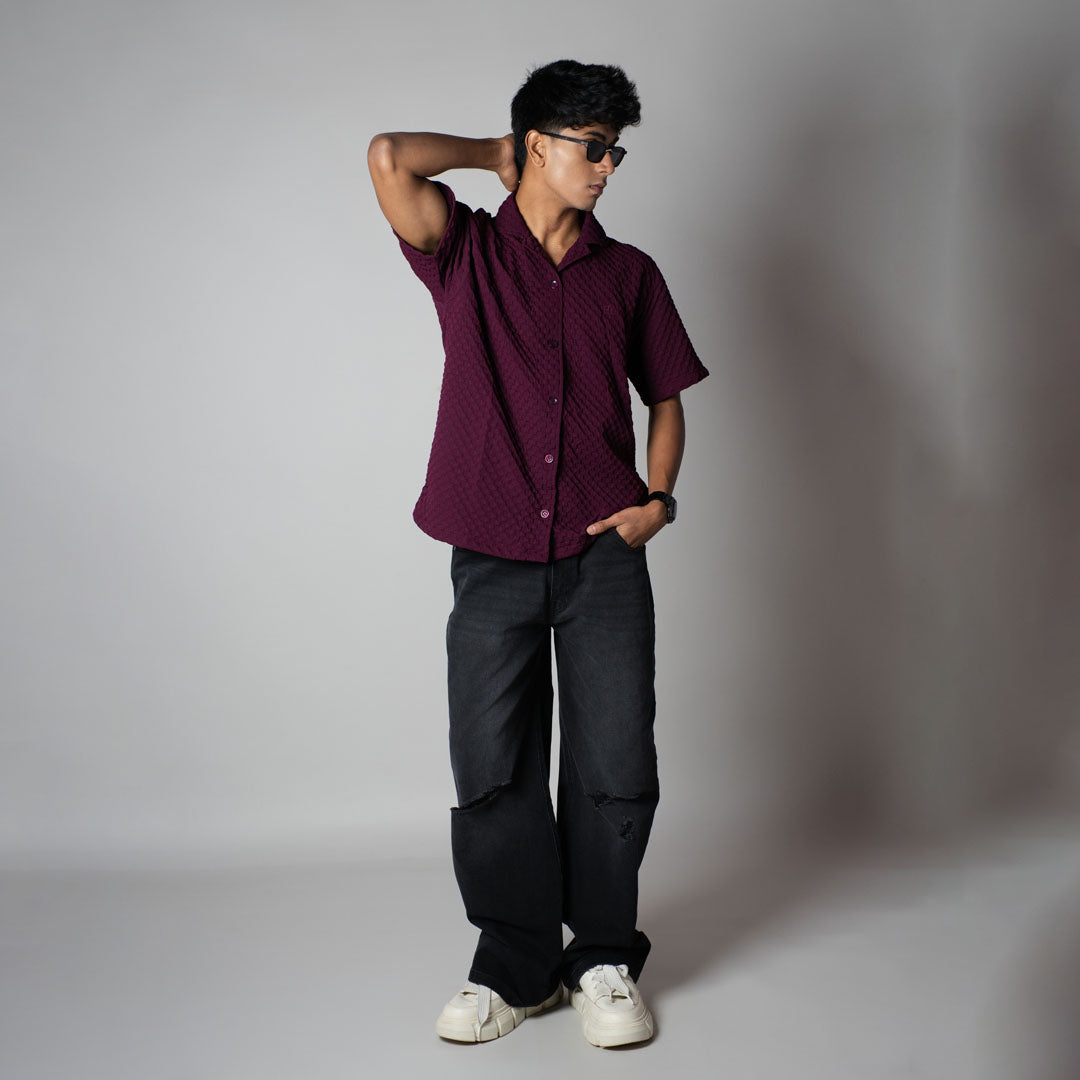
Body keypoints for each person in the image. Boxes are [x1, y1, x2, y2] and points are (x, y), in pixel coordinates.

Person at [367, 58, 709, 1048]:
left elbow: (668, 399)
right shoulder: (464, 251)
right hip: (491, 554)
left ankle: (600, 958)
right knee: (491, 764)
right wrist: (492, 154)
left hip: (605, 560)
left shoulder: (630, 274)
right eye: (593, 148)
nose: (607, 168)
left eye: (616, 152)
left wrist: (657, 503)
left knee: (616, 763)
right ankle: (515, 967)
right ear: (539, 147)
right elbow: (389, 157)